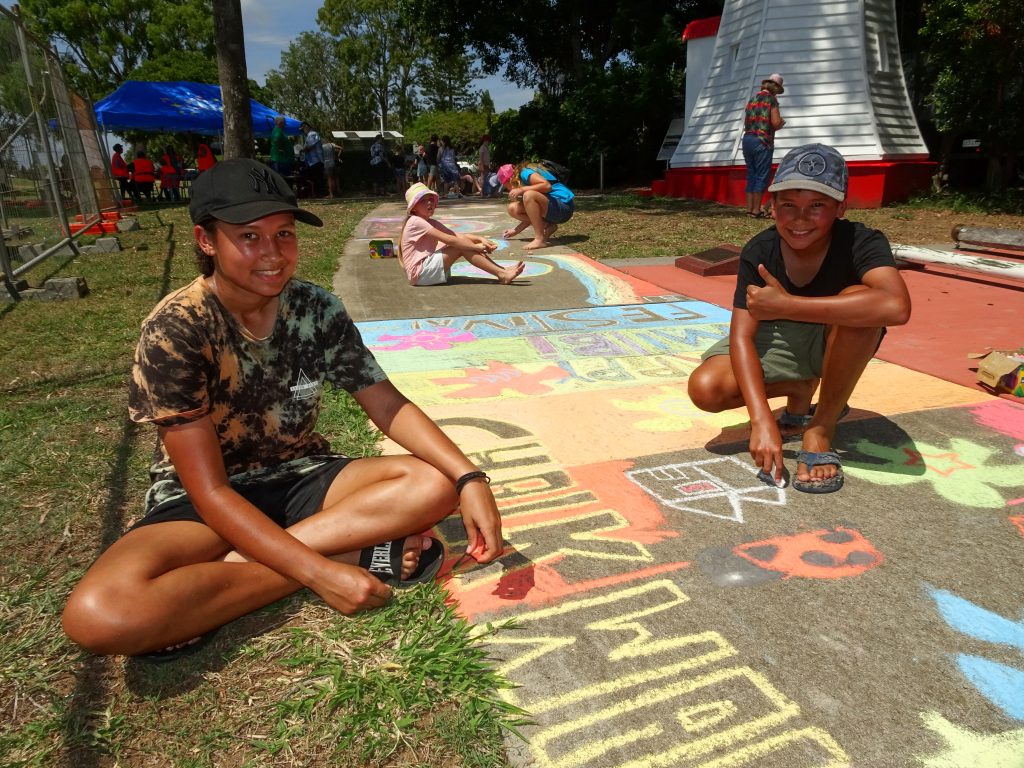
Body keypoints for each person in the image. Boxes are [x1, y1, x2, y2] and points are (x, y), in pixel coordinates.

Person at [60, 159, 504, 661]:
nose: (272, 254)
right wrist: (321, 572)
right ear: (206, 241)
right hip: (204, 502)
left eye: (284, 234)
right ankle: (339, 553)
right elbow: (209, 490)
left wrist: (470, 478)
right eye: (249, 236)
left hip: (302, 478)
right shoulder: (177, 329)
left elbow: (385, 402)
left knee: (435, 483)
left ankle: (234, 576)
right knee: (99, 615)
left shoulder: (316, 309)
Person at [687, 144, 911, 494]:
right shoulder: (761, 250)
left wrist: (788, 305)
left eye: (817, 206)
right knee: (706, 389)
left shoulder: (861, 241)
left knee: (861, 304)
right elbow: (742, 337)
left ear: (841, 208)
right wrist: (761, 419)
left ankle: (821, 428)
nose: (800, 218)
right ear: (771, 205)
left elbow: (896, 307)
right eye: (788, 204)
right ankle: (800, 386)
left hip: (835, 338)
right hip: (778, 336)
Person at [399, 182, 524, 286]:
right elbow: (449, 240)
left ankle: (502, 271)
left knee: (463, 242)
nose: (429, 203)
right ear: (414, 208)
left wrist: (480, 239)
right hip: (420, 274)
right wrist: (476, 247)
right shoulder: (415, 221)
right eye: (423, 201)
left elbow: (456, 235)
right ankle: (502, 274)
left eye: (430, 199)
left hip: (425, 271)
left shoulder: (430, 222)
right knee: (461, 246)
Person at [501, 162, 575, 250]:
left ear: (510, 179)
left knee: (529, 195)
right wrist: (516, 230)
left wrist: (522, 189)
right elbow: (533, 213)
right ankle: (548, 226)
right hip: (554, 208)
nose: (509, 190)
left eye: (507, 186)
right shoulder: (525, 179)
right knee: (512, 208)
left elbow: (547, 186)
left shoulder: (525, 172)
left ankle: (540, 239)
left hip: (564, 208)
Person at [742, 73, 786, 218]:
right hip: (762, 141)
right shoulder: (771, 100)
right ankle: (756, 210)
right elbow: (774, 122)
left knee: (751, 174)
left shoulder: (753, 99)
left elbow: (746, 122)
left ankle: (749, 209)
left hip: (747, 138)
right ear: (776, 88)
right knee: (761, 175)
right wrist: (781, 123)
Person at [299, 122, 326, 197]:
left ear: (306, 127)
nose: (303, 131)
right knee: (314, 179)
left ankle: (321, 194)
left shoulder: (312, 134)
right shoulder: (308, 136)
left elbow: (309, 147)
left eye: (303, 129)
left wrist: (302, 150)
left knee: (318, 178)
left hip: (316, 160)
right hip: (312, 162)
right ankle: (316, 193)